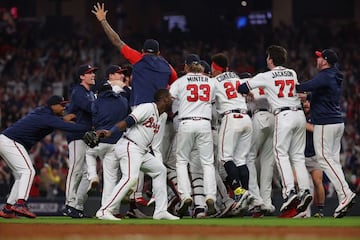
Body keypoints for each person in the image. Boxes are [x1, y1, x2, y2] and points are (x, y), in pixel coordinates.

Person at [238, 45, 312, 218]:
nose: (266, 59)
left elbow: (242, 87)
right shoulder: (292, 73)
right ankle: (305, 190)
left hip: (282, 115)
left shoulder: (266, 75)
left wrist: (247, 91)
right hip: (299, 115)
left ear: (271, 59)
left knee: (280, 154)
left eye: (267, 57)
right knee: (297, 157)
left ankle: (289, 193)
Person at [95, 89, 179, 220]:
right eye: (170, 97)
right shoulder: (147, 107)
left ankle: (160, 211)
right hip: (130, 145)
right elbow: (128, 121)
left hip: (142, 150)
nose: (172, 100)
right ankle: (104, 210)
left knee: (160, 170)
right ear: (164, 99)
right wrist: (111, 132)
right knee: (130, 178)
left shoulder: (162, 116)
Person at [0, 95, 88, 219]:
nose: (64, 107)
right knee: (28, 171)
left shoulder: (45, 113)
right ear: (53, 106)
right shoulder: (47, 116)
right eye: (61, 105)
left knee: (21, 176)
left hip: (7, 141)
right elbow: (69, 127)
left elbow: (55, 121)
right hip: (11, 142)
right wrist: (90, 127)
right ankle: (20, 204)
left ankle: (8, 209)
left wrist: (63, 119)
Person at [295, 49, 356, 218]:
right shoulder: (333, 75)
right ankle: (343, 197)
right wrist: (306, 95)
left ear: (325, 61)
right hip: (336, 122)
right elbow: (316, 93)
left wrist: (293, 86)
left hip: (325, 123)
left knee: (323, 159)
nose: (318, 59)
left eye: (320, 57)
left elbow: (305, 86)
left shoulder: (326, 74)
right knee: (333, 162)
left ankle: (346, 193)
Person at [169, 54, 217, 217]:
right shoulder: (210, 82)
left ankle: (186, 195)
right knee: (208, 163)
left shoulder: (181, 82)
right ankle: (210, 196)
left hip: (186, 123)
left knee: (181, 162)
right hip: (205, 123)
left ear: (186, 67)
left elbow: (169, 99)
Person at [211, 53, 254, 214]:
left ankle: (238, 191)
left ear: (215, 67)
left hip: (231, 117)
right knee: (240, 160)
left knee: (225, 157)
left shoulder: (214, 81)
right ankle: (245, 195)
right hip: (246, 118)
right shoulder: (236, 77)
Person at [85, 81, 129, 218]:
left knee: (89, 153)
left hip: (99, 140)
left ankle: (92, 175)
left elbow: (93, 118)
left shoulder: (97, 102)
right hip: (116, 143)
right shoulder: (123, 101)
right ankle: (107, 209)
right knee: (110, 179)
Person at [63, 64, 98, 218]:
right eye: (89, 73)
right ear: (81, 76)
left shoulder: (89, 93)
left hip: (85, 135)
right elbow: (91, 108)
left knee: (85, 174)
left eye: (93, 73)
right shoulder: (78, 91)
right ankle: (69, 204)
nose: (93, 75)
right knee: (76, 169)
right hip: (77, 135)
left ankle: (77, 206)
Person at [245, 72, 277, 217]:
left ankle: (256, 199)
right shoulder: (267, 84)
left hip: (259, 117)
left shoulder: (248, 84)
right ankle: (267, 202)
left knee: (248, 158)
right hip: (273, 118)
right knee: (268, 161)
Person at [302, 98, 325, 217]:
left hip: (315, 155)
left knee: (317, 182)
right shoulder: (298, 115)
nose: (306, 104)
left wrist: (304, 124)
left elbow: (318, 130)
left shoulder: (317, 115)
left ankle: (320, 211)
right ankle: (305, 212)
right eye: (304, 102)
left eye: (308, 102)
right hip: (301, 156)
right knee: (303, 184)